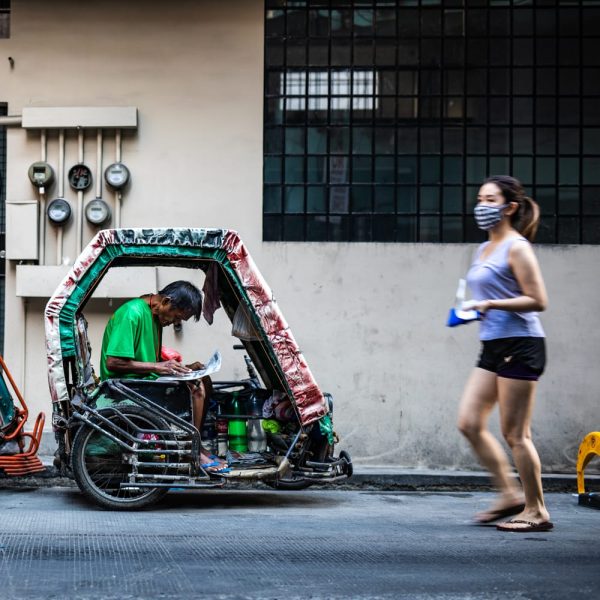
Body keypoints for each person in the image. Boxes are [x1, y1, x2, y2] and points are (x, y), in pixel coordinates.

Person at [457, 175, 553, 532]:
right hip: (494, 345)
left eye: (490, 199)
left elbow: (538, 300)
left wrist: (492, 303)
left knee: (516, 434)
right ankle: (509, 494)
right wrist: (470, 309)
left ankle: (537, 510)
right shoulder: (483, 249)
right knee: (468, 422)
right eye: (479, 198)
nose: (482, 206)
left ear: (510, 207)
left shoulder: (517, 247)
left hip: (521, 343)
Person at [99, 280, 223, 469]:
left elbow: (151, 361)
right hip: (125, 387)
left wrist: (186, 367)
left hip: (143, 382)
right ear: (166, 302)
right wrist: (158, 367)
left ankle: (196, 444)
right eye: (175, 317)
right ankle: (192, 449)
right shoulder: (132, 313)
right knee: (196, 388)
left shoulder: (154, 317)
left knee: (203, 378)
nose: (173, 323)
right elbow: (113, 362)